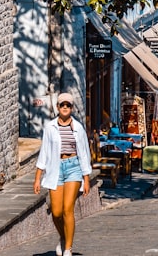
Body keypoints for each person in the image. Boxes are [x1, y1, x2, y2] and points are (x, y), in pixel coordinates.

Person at [33, 92, 92, 256]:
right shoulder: (50, 127)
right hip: (55, 169)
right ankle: (63, 237)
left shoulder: (78, 128)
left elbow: (84, 153)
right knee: (57, 212)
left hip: (73, 167)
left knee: (68, 209)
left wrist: (86, 179)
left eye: (68, 105)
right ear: (58, 107)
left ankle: (68, 248)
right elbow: (44, 152)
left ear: (72, 108)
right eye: (62, 105)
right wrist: (38, 178)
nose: (65, 108)